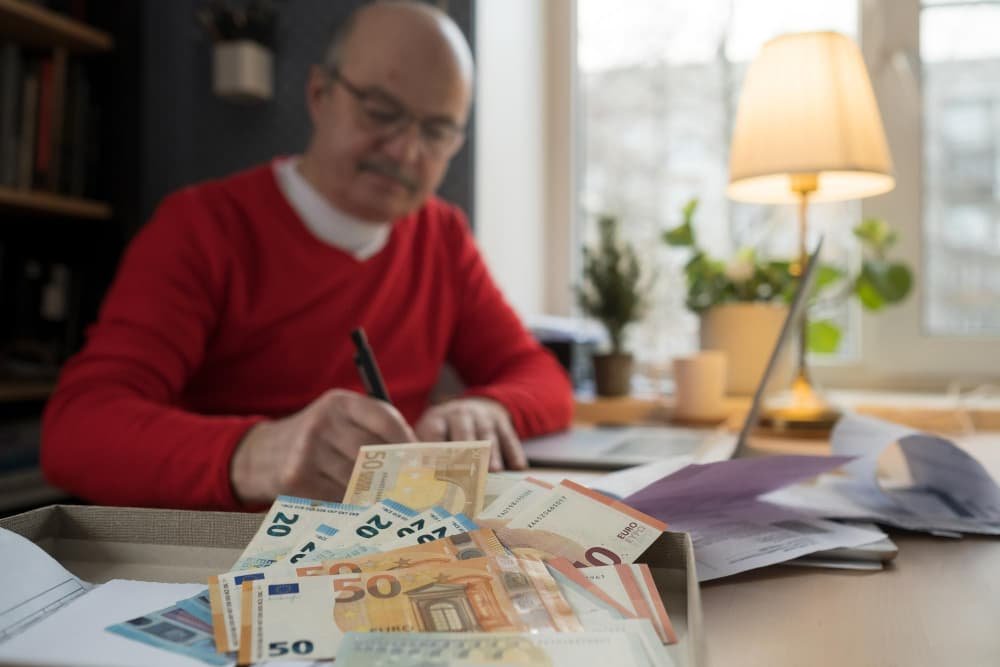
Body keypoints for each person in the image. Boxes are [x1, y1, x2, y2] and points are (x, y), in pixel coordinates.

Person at [40, 1, 572, 511]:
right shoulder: (203, 226)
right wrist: (254, 452)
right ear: (320, 94)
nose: (407, 151)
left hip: (391, 544)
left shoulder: (442, 236)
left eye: (436, 131)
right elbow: (76, 431)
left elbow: (541, 378)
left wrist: (487, 409)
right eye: (382, 112)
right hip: (227, 552)